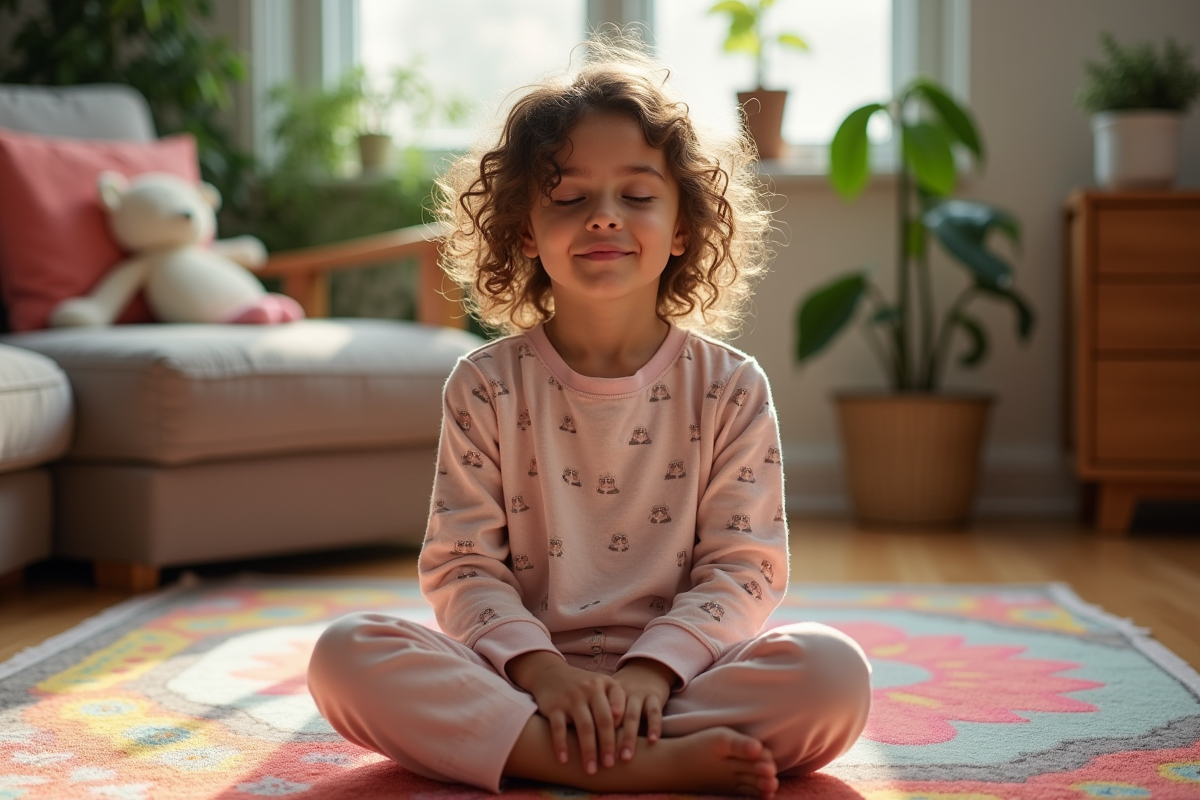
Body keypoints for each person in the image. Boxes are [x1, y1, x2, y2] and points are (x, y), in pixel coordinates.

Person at [307, 36, 871, 798]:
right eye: (569, 199)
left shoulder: (733, 385)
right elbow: (463, 567)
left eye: (637, 196)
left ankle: (544, 752)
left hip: (680, 683)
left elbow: (744, 568)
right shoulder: (483, 384)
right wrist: (544, 674)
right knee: (346, 655)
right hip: (520, 678)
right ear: (525, 233)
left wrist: (650, 671)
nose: (604, 218)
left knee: (833, 676)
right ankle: (635, 765)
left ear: (682, 229)